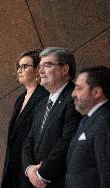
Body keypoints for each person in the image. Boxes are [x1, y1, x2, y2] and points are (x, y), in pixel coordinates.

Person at [22, 47, 82, 188]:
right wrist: (29, 169)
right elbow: (28, 142)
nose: (40, 71)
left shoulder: (74, 98)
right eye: (40, 66)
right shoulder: (42, 103)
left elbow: (67, 141)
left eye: (47, 65)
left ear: (64, 69)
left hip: (61, 180)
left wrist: (42, 174)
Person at [1, 50, 48, 188]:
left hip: (30, 163)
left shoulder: (44, 96)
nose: (20, 70)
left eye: (25, 66)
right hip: (13, 162)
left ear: (37, 70)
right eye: (18, 67)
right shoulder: (20, 98)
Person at [65, 66, 110, 188]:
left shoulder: (104, 121)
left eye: (78, 88)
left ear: (96, 92)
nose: (73, 94)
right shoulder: (88, 120)